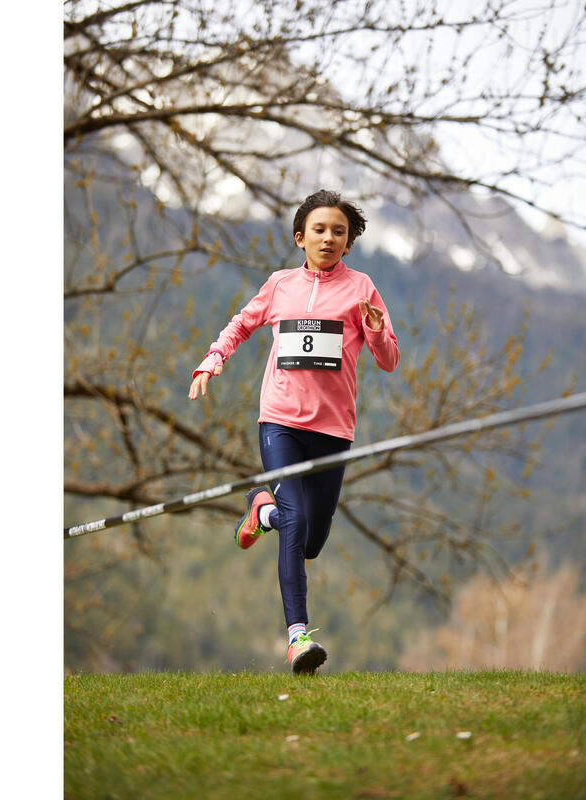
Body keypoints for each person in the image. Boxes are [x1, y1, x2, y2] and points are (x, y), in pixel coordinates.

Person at [188, 189, 400, 674]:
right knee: (297, 518)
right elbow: (242, 324)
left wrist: (374, 328)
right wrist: (213, 358)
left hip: (333, 430)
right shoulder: (280, 285)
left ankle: (261, 511)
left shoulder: (362, 287)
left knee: (310, 542)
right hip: (280, 422)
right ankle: (298, 638)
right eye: (320, 230)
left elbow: (389, 360)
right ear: (300, 238)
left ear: (348, 243)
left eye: (339, 232)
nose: (329, 238)